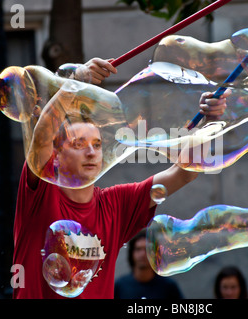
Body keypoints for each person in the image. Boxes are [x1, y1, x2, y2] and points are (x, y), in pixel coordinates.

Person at [12, 58, 231, 299]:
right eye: (78, 144)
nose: (91, 152)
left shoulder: (115, 203)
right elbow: (42, 136)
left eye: (97, 144)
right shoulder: (41, 191)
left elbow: (185, 173)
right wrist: (75, 83)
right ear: (56, 156)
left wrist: (211, 122)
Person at [114, 230, 184, 299]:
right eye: (138, 249)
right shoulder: (120, 286)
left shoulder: (169, 287)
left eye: (147, 249)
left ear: (156, 254)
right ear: (131, 253)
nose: (143, 254)